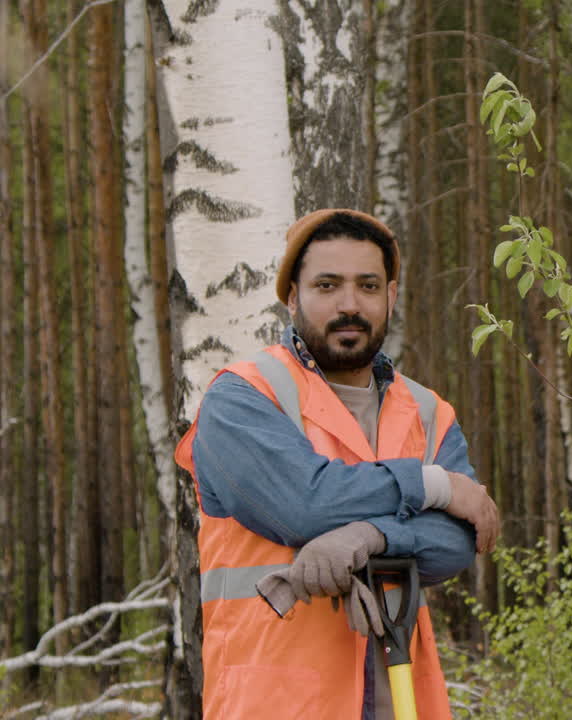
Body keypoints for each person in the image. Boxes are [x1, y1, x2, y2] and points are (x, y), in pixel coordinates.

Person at [175, 209, 500, 720]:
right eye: (327, 285)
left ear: (391, 295)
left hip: (402, 702)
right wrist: (433, 485)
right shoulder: (243, 397)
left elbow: (456, 541)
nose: (349, 304)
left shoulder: (429, 412)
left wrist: (370, 536)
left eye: (367, 286)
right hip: (278, 705)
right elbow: (304, 505)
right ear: (292, 297)